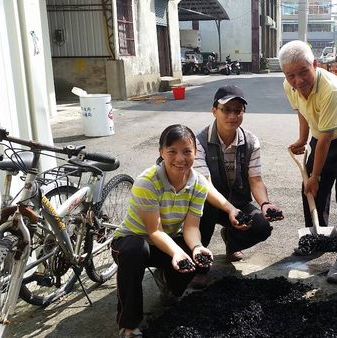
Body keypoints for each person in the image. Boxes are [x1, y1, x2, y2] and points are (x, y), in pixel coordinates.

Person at [111, 124, 237, 338]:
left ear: (196, 153)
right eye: (172, 152)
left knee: (191, 262)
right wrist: (177, 252)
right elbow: (154, 231)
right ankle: (129, 324)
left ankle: (167, 281)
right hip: (133, 241)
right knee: (135, 249)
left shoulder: (198, 183)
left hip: (165, 241)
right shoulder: (147, 182)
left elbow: (191, 226)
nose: (180, 159)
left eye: (187, 151)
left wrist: (196, 248)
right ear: (161, 152)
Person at [277, 40, 337, 282]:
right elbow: (302, 109)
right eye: (290, 75)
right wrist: (302, 138)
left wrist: (315, 176)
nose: (297, 80)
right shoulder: (290, 86)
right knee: (310, 193)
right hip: (322, 137)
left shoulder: (332, 89)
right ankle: (319, 240)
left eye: (303, 72)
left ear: (315, 65)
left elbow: (327, 139)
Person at [194, 85, 283, 265]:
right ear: (214, 111)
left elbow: (255, 180)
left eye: (238, 110)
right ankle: (199, 261)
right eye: (226, 110)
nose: (232, 116)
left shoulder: (251, 142)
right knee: (205, 209)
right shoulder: (198, 142)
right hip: (209, 202)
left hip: (239, 202)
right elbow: (206, 185)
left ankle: (231, 241)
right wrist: (230, 210)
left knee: (262, 227)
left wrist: (265, 204)